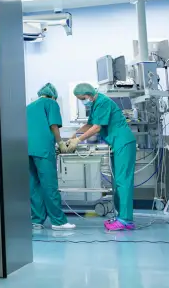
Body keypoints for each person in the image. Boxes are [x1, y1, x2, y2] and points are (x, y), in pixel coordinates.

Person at [67, 83, 138, 231]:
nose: (82, 101)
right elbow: (89, 124)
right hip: (117, 143)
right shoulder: (95, 104)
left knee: (123, 181)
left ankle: (126, 219)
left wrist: (78, 140)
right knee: (117, 182)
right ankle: (121, 217)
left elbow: (97, 127)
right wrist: (73, 136)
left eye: (82, 98)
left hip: (123, 142)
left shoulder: (103, 102)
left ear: (88, 94)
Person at [26, 83, 76, 231]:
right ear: (53, 95)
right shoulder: (51, 103)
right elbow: (53, 126)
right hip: (43, 150)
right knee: (49, 185)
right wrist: (61, 143)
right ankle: (58, 221)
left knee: (34, 186)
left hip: (27, 149)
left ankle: (36, 220)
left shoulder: (29, 107)